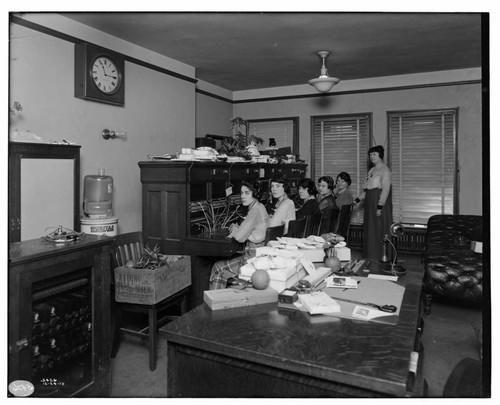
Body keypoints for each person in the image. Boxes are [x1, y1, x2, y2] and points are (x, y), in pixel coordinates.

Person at [209, 180, 269, 290]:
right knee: (221, 268)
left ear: (255, 194)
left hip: (251, 259)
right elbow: (249, 230)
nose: (243, 196)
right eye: (241, 193)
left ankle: (214, 302)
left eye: (247, 193)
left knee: (217, 267)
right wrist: (239, 229)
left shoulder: (254, 212)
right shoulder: (260, 207)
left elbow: (239, 238)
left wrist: (236, 229)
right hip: (260, 255)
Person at [355, 145, 393, 259]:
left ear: (380, 155)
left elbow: (386, 190)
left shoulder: (385, 171)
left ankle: (381, 255)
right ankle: (370, 255)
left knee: (378, 228)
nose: (372, 157)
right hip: (369, 201)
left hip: (379, 201)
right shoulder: (371, 170)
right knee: (370, 228)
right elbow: (367, 189)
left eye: (374, 154)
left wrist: (380, 207)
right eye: (370, 155)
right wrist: (357, 200)